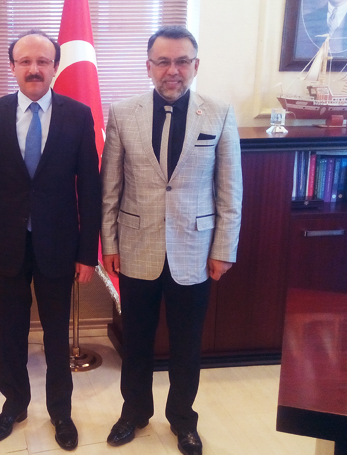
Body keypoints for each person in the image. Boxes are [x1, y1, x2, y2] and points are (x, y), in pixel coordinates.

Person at [101, 26, 242, 455]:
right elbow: (110, 187)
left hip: (195, 251)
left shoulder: (218, 113)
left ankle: (183, 420)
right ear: (149, 67)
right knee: (136, 341)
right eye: (163, 61)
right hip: (136, 246)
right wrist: (109, 244)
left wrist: (223, 249)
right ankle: (134, 413)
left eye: (182, 61)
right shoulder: (122, 113)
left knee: (186, 344)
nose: (172, 70)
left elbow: (229, 190)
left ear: (195, 66)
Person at [0, 29, 101, 451]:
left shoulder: (77, 115)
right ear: (12, 67)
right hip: (6, 244)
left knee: (56, 333)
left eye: (42, 61)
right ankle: (14, 406)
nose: (34, 68)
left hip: (59, 244)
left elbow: (90, 188)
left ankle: (60, 411)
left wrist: (88, 253)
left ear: (55, 67)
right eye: (25, 61)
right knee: (9, 331)